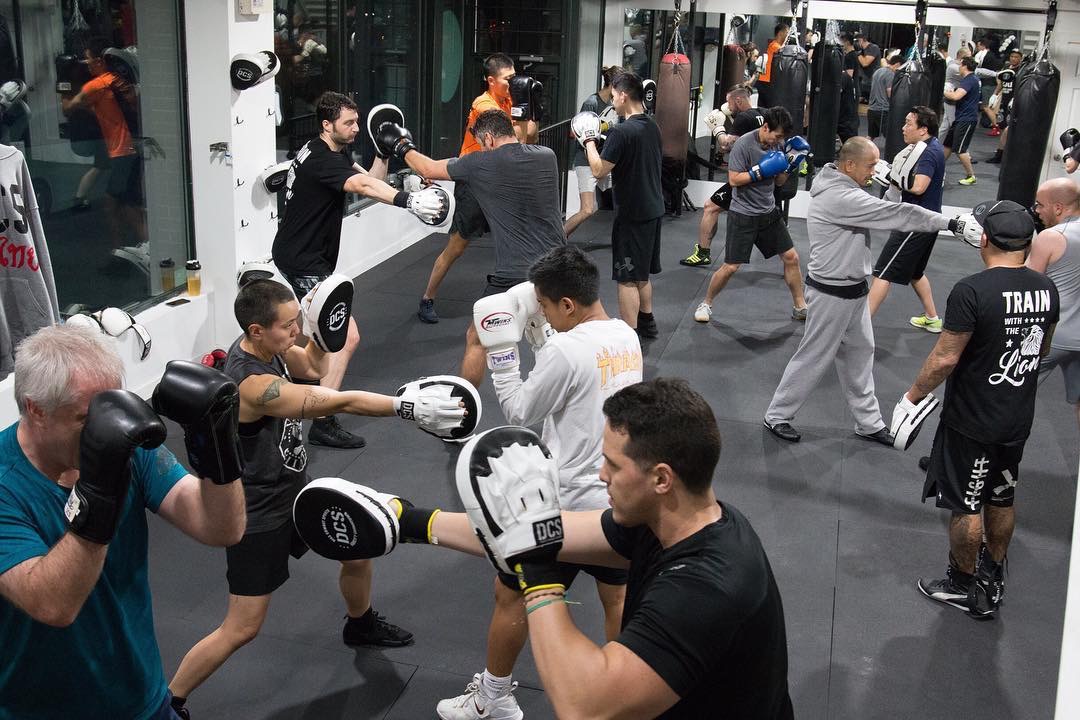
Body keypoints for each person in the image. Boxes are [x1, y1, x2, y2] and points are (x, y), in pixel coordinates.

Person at [304, 378, 794, 718]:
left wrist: (535, 577)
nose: (601, 475)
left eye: (612, 465)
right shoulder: (673, 520)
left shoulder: (707, 586)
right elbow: (546, 535)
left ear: (661, 478)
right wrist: (411, 521)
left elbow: (585, 705)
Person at [168, 277, 473, 717]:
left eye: (295, 322)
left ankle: (360, 624)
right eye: (286, 325)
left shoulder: (270, 347)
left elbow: (312, 364)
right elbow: (334, 400)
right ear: (256, 330)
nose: (293, 332)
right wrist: (403, 405)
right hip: (257, 513)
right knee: (242, 627)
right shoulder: (251, 383)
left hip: (294, 491)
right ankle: (170, 699)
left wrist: (316, 329)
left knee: (358, 546)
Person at [437, 245, 642, 720]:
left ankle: (494, 699)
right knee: (617, 597)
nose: (543, 314)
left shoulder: (564, 350)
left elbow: (520, 412)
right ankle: (629, 695)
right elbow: (577, 387)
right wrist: (542, 338)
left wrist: (503, 353)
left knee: (510, 593)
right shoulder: (624, 336)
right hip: (615, 501)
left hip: (563, 506)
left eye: (547, 307)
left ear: (566, 305)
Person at [0, 324, 247, 718]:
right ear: (36, 409)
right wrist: (100, 487)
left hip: (143, 697)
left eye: (109, 408)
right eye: (86, 418)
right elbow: (52, 605)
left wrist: (216, 445)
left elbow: (222, 529)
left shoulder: (131, 449)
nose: (103, 427)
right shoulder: (5, 485)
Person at [905, 200, 1058, 618]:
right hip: (1016, 417)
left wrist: (911, 397)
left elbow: (945, 359)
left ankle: (962, 583)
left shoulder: (972, 290)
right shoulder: (1047, 288)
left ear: (985, 239)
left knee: (967, 504)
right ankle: (994, 573)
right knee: (1002, 496)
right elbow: (1042, 347)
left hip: (973, 420)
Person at [270, 91, 446, 449]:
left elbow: (369, 178)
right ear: (326, 124)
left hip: (299, 253)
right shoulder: (321, 159)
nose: (355, 129)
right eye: (348, 123)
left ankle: (282, 375)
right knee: (345, 336)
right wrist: (409, 200)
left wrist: (384, 152)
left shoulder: (327, 151)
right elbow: (362, 185)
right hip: (303, 260)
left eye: (356, 122)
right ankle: (322, 417)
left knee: (310, 329)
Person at [763, 137, 964, 444]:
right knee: (814, 356)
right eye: (871, 165)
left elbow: (885, 206)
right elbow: (898, 215)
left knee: (859, 356)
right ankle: (777, 415)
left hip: (855, 291)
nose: (875, 170)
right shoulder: (840, 197)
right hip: (831, 293)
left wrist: (892, 187)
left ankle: (868, 423)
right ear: (850, 165)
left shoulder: (847, 186)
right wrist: (952, 223)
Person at [393, 108, 565, 387]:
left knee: (477, 338)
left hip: (515, 274)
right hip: (559, 268)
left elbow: (426, 168)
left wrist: (401, 146)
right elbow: (525, 139)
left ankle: (464, 406)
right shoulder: (547, 156)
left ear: (487, 139)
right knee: (565, 337)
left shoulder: (479, 163)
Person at [416, 53, 529, 324]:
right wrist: (523, 116)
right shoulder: (484, 105)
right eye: (508, 79)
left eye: (515, 78)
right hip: (474, 181)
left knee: (513, 239)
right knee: (456, 246)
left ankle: (515, 298)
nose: (512, 84)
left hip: (500, 180)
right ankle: (427, 299)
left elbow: (528, 136)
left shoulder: (509, 100)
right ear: (491, 80)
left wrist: (527, 109)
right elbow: (514, 139)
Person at [692, 106, 808, 324]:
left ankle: (800, 306)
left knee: (792, 257)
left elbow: (779, 182)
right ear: (766, 127)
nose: (779, 141)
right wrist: (760, 170)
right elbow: (734, 180)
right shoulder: (743, 145)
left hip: (768, 212)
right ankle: (706, 303)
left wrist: (787, 167)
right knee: (731, 267)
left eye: (782, 137)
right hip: (743, 214)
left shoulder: (780, 144)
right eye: (777, 135)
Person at [579, 72, 665, 340]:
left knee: (627, 277)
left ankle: (628, 337)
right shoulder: (652, 126)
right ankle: (647, 322)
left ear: (623, 95)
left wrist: (589, 141)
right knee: (641, 273)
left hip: (633, 213)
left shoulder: (621, 132)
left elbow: (599, 171)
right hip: (653, 208)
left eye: (614, 96)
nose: (613, 100)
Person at [60, 37, 147, 257]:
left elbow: (68, 109)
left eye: (89, 61)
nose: (87, 66)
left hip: (122, 151)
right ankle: (125, 250)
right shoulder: (120, 82)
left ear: (101, 60)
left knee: (119, 204)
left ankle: (132, 250)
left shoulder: (96, 85)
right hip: (134, 148)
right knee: (128, 202)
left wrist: (63, 80)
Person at [867, 106, 948, 331]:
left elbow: (919, 187)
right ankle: (932, 318)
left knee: (883, 272)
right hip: (928, 220)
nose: (903, 128)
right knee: (915, 272)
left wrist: (892, 178)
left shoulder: (928, 153)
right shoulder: (927, 147)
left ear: (923, 129)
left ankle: (859, 326)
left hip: (916, 222)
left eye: (909, 124)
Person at [681, 85, 764, 267]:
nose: (727, 106)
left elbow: (726, 145)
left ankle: (702, 253)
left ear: (738, 100)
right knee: (715, 208)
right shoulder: (760, 113)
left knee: (710, 207)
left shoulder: (743, 117)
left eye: (729, 102)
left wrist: (717, 129)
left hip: (742, 178)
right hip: (759, 177)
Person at [1028, 178, 1080, 428]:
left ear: (1058, 208)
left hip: (1052, 336)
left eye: (1040, 205)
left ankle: (984, 460)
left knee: (1010, 393)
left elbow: (1028, 289)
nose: (1036, 211)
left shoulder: (1051, 237)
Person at [564, 66, 619, 237]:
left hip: (604, 160)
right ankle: (557, 237)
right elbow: (576, 131)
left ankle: (625, 239)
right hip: (587, 161)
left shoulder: (614, 104)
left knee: (624, 200)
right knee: (587, 209)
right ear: (612, 85)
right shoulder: (592, 102)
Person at [942, 57, 980, 186]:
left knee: (960, 149)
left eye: (960, 64)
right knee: (947, 145)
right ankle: (937, 168)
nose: (958, 66)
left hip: (967, 119)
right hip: (961, 117)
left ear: (964, 66)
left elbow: (956, 96)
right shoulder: (971, 79)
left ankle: (971, 176)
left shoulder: (969, 80)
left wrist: (945, 92)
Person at [986, 49, 1022, 165]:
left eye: (1016, 57)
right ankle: (1002, 151)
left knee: (1009, 129)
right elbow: (1001, 82)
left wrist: (1016, 98)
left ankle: (1001, 154)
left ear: (1020, 58)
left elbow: (1021, 86)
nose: (1013, 58)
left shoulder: (1021, 70)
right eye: (1012, 56)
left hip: (1013, 102)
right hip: (1004, 102)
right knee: (1002, 127)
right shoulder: (1007, 68)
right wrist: (995, 94)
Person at [939, 46, 971, 141]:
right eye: (969, 56)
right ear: (962, 57)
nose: (971, 59)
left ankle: (933, 144)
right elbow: (972, 72)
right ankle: (960, 146)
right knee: (954, 123)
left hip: (953, 98)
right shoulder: (954, 67)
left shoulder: (958, 65)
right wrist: (995, 74)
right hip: (950, 98)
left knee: (945, 126)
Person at [867, 55, 901, 141]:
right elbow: (890, 93)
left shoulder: (878, 71)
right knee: (890, 137)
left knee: (871, 135)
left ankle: (861, 151)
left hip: (871, 109)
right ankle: (892, 154)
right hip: (883, 111)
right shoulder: (890, 74)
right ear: (897, 64)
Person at [756, 23, 789, 108]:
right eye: (787, 33)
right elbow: (784, 53)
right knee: (768, 107)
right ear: (780, 33)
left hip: (767, 81)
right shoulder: (775, 46)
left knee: (766, 107)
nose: (788, 35)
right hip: (767, 82)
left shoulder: (776, 46)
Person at [838, 33, 861, 144]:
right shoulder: (852, 55)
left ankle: (852, 144)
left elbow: (848, 75)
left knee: (848, 118)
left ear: (846, 41)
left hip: (850, 92)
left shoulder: (850, 56)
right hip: (851, 90)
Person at [855, 34, 883, 102]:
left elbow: (865, 63)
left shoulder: (873, 48)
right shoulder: (861, 51)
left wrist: (858, 53)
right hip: (861, 82)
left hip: (871, 82)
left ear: (861, 40)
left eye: (857, 41)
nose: (855, 44)